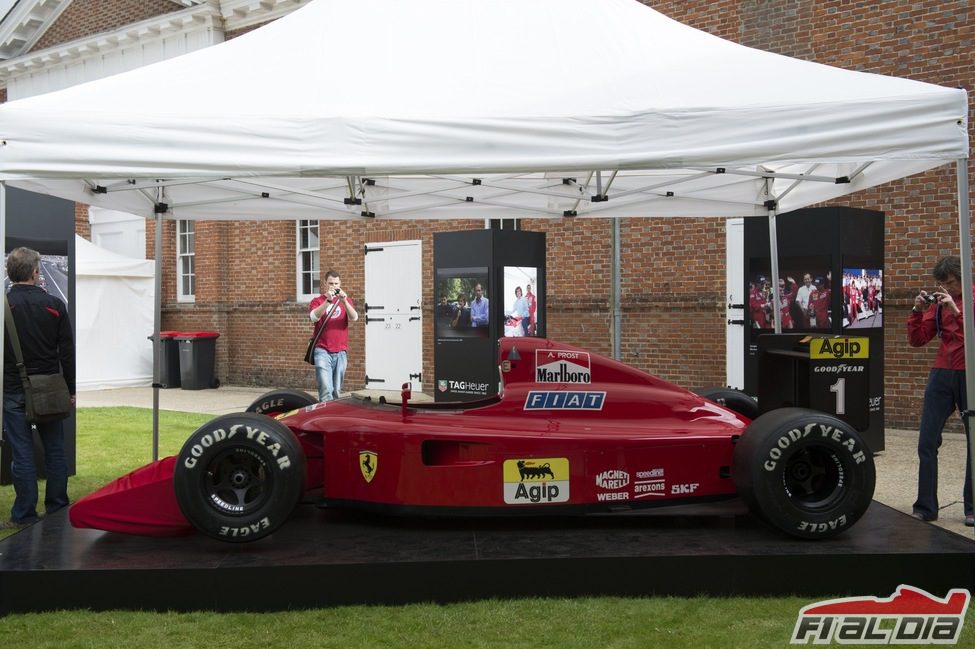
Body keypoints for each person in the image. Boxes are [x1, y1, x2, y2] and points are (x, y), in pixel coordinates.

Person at [1, 247, 75, 529]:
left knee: (22, 453)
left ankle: (24, 513)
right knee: (55, 451)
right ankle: (57, 508)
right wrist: (70, 388)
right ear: (35, 272)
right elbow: (66, 352)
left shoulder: (4, 306)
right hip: (50, 388)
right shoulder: (55, 305)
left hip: (13, 388)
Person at [907, 255, 974, 526]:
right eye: (942, 284)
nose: (947, 288)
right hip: (942, 372)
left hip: (970, 372)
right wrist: (916, 311)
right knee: (927, 441)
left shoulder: (970, 298)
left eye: (951, 283)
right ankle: (926, 506)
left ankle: (971, 507)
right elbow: (918, 340)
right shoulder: (939, 304)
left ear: (962, 276)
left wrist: (958, 312)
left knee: (974, 443)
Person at [308, 270, 358, 402]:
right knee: (325, 389)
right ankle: (325, 417)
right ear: (325, 283)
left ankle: (332, 416)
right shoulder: (317, 300)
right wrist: (327, 302)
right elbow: (313, 317)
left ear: (340, 283)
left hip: (341, 351)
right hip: (322, 350)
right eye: (331, 283)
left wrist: (345, 301)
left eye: (336, 283)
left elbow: (354, 317)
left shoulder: (345, 300)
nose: (334, 286)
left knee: (336, 390)